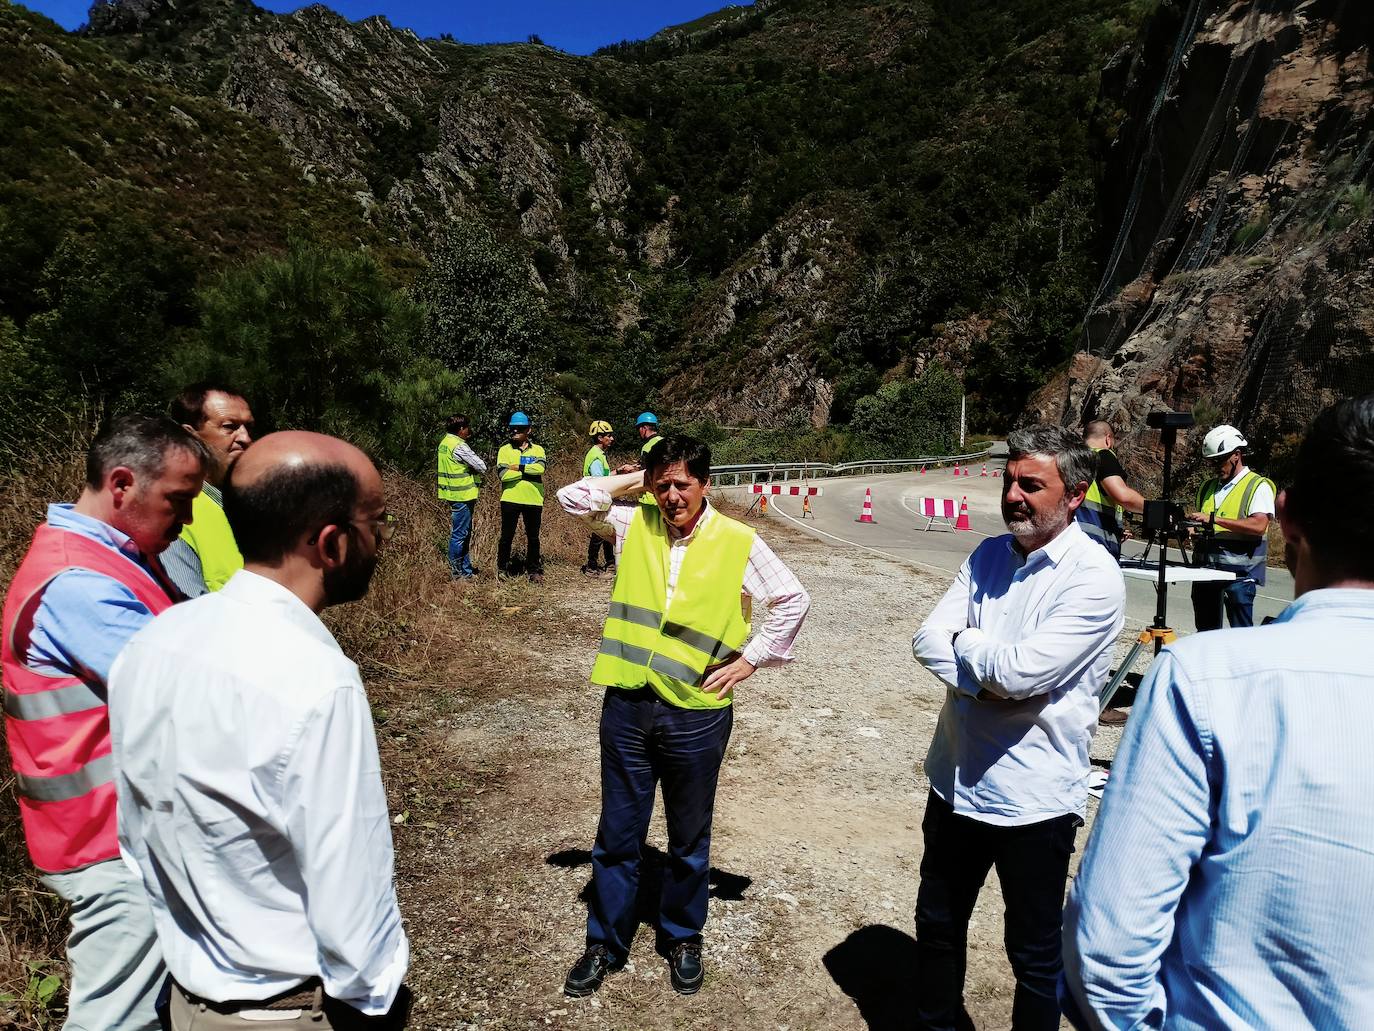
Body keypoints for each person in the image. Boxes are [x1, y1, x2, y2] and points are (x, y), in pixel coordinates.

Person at [1062, 394, 1374, 1030]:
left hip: (1235, 577)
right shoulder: (1211, 670)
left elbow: (1108, 949)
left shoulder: (1204, 682)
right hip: (1212, 570)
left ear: (1288, 515)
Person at [108, 431, 410, 1030]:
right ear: (332, 542)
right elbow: (351, 898)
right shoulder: (318, 681)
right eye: (378, 523)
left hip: (186, 1001)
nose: (382, 541)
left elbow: (135, 836)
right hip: (290, 1011)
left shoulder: (152, 642)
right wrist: (378, 1001)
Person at [556, 436, 810, 998]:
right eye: (663, 484)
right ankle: (605, 943)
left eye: (682, 484)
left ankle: (682, 937)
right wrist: (633, 481)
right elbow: (571, 498)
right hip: (627, 702)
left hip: (696, 713)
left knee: (688, 838)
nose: (672, 496)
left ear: (705, 485)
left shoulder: (738, 541)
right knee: (618, 835)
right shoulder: (634, 523)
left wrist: (751, 660)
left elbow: (792, 599)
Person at [910, 425, 1126, 1031]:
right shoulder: (987, 555)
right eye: (1009, 481)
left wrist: (970, 648)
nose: (1014, 496)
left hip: (1032, 801)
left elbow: (1022, 674)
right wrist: (988, 674)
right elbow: (928, 640)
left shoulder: (1093, 576)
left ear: (1076, 494)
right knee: (938, 927)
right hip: (954, 782)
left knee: (1032, 957)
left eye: (1032, 485)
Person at [2, 414, 209, 1031]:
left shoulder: (114, 557)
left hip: (123, 830)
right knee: (116, 1021)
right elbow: (184, 693)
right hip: (107, 841)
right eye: (179, 499)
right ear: (122, 484)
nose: (190, 518)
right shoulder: (79, 582)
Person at [162, 383, 254, 597]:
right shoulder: (171, 517)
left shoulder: (258, 507)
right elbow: (190, 614)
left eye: (249, 427)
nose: (246, 438)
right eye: (230, 427)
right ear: (190, 436)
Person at [1186, 423, 1275, 630]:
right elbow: (1206, 526)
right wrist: (1192, 530)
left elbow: (1259, 525)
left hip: (1239, 577)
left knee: (1240, 639)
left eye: (1219, 460)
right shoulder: (1207, 487)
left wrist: (1214, 520)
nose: (1215, 466)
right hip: (1205, 573)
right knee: (1205, 635)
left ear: (1236, 455)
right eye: (1211, 462)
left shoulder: (1257, 486)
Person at [1076, 420, 1145, 560]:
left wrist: (1115, 530)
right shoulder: (1103, 455)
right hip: (1095, 547)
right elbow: (1123, 496)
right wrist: (1156, 509)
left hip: (1073, 540)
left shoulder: (1073, 459)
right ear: (1108, 439)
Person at [496, 411, 547, 583]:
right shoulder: (504, 450)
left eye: (520, 428)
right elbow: (503, 475)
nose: (515, 431)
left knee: (533, 537)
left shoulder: (539, 449)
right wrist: (527, 469)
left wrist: (517, 467)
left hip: (533, 499)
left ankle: (533, 570)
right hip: (510, 499)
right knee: (506, 536)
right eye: (513, 428)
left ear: (528, 430)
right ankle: (502, 569)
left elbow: (540, 469)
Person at [438, 413, 486, 579]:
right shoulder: (459, 446)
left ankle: (465, 571)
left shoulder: (444, 443)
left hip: (452, 493)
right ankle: (457, 574)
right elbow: (482, 466)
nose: (468, 431)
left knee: (463, 533)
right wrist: (472, 469)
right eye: (466, 428)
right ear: (460, 429)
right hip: (463, 495)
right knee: (460, 535)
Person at [581, 420, 616, 577]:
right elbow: (599, 480)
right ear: (600, 437)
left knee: (606, 530)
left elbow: (605, 476)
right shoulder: (595, 456)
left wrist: (619, 472)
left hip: (601, 498)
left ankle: (610, 563)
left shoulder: (599, 455)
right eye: (609, 435)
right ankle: (592, 565)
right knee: (599, 532)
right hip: (598, 499)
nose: (612, 438)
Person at [616, 412, 664, 506]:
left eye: (639, 428)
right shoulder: (663, 441)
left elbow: (644, 472)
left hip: (650, 497)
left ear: (644, 428)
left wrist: (630, 469)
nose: (639, 431)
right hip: (662, 492)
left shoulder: (647, 447)